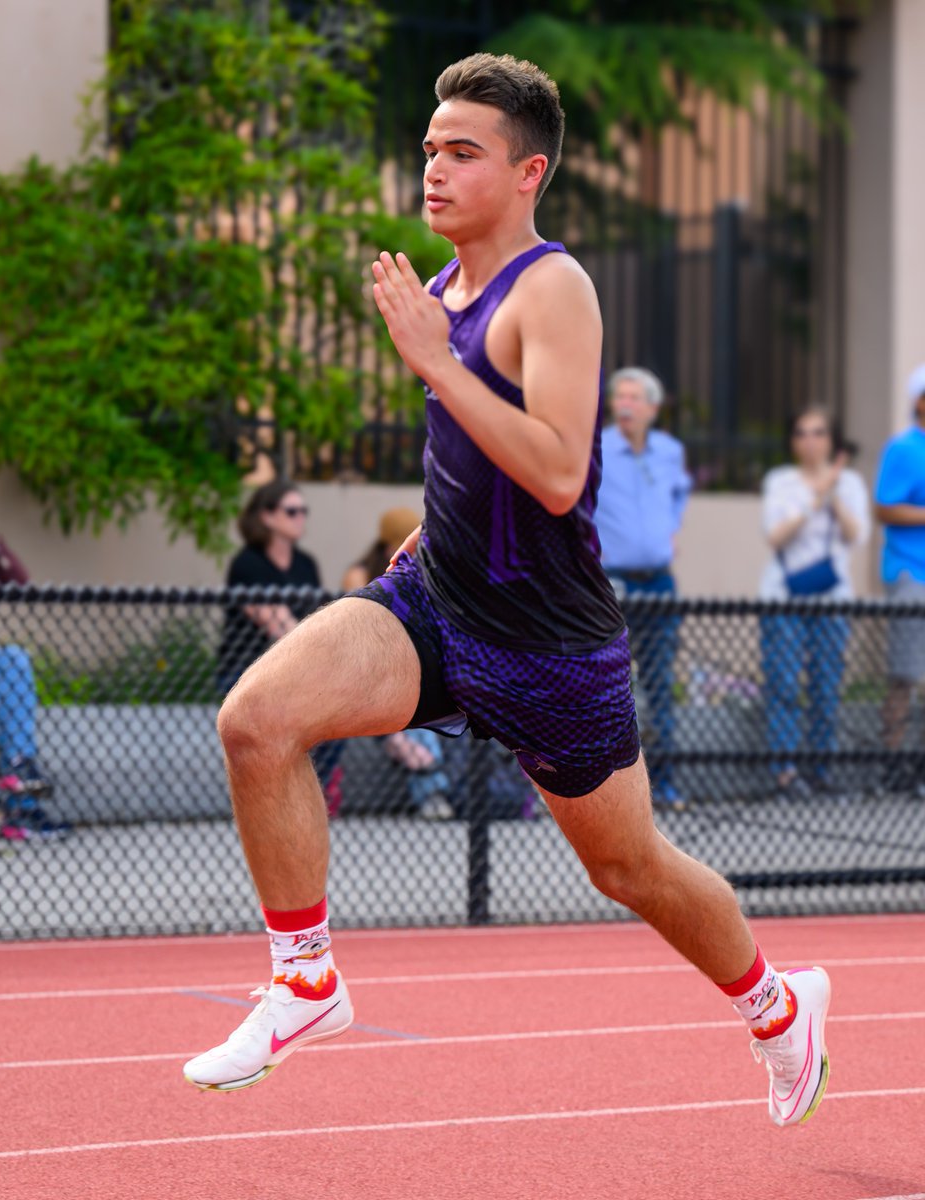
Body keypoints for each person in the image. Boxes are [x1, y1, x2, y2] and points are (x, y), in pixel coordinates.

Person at [184, 53, 831, 1129]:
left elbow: (559, 469)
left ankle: (775, 1010)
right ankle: (307, 982)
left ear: (528, 172)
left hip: (549, 648)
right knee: (257, 721)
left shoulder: (555, 290)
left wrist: (439, 364)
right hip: (437, 604)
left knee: (629, 870)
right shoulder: (444, 290)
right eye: (430, 148)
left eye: (463, 152)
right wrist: (416, 547)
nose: (433, 169)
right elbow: (465, 470)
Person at [758, 406, 870, 797]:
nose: (811, 441)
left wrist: (834, 490)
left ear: (831, 439)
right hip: (783, 597)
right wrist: (814, 496)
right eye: (803, 433)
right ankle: (785, 773)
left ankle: (821, 770)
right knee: (784, 683)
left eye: (819, 433)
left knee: (826, 684)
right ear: (793, 441)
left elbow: (857, 535)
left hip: (832, 599)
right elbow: (776, 536)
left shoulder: (850, 482)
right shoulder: (781, 481)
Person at [593, 367, 691, 810]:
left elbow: (678, 497)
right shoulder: (597, 447)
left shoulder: (669, 451)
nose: (626, 404)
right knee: (612, 684)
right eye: (620, 397)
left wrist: (668, 531)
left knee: (659, 680)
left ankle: (664, 784)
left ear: (653, 408)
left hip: (660, 582)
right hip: (613, 583)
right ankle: (610, 789)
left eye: (636, 397)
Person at [218, 479, 342, 788]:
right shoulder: (247, 564)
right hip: (250, 668)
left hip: (303, 666)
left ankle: (313, 792)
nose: (300, 518)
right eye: (291, 511)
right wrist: (323, 659)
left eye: (303, 511)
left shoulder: (305, 564)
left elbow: (319, 617)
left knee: (343, 709)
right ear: (267, 516)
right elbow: (277, 624)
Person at [0, 481, 66, 838]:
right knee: (11, 690)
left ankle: (19, 772)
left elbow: (19, 585)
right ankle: (22, 807)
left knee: (12, 659)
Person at [343, 507, 454, 820]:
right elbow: (358, 635)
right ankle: (431, 789)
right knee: (417, 722)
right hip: (365, 670)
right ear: (390, 545)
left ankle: (433, 785)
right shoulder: (361, 575)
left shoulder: (424, 575)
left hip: (406, 669)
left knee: (427, 709)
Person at [874, 363, 925, 793]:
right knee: (906, 673)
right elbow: (884, 507)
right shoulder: (904, 449)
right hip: (912, 571)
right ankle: (892, 765)